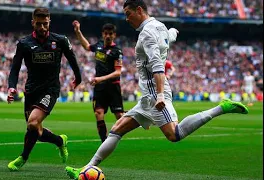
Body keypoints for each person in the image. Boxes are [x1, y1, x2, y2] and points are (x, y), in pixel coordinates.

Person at [65, 0, 249, 178]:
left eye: (128, 14)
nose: (127, 19)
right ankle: (86, 168)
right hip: (147, 96)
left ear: (139, 10)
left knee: (174, 134)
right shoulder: (160, 27)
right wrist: (173, 31)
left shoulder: (146, 33)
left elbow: (157, 66)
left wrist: (160, 95)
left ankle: (221, 108)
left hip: (154, 93)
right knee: (117, 130)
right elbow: (169, 37)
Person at [7, 7, 82, 171]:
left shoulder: (60, 40)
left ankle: (23, 158)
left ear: (49, 22)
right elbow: (15, 68)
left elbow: (72, 59)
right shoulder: (24, 43)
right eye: (39, 24)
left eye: (45, 24)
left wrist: (79, 77)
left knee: (33, 122)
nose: (42, 27)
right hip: (31, 90)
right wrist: (11, 87)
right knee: (34, 129)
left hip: (50, 89)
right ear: (33, 22)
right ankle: (60, 141)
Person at [72, 20, 125, 143]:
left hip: (113, 87)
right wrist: (78, 31)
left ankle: (134, 118)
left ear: (114, 35)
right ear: (102, 34)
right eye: (106, 33)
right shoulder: (99, 46)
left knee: (119, 116)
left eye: (110, 34)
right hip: (100, 87)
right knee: (98, 113)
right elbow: (87, 46)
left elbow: (118, 72)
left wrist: (100, 78)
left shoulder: (117, 51)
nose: (108, 36)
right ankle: (104, 142)